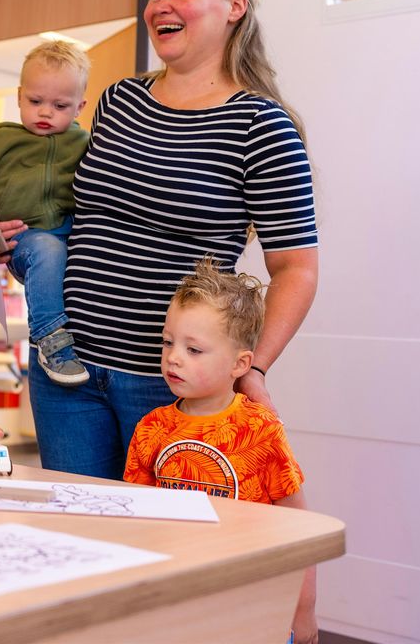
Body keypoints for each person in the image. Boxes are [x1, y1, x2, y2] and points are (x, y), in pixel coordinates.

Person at [0, 0, 318, 478]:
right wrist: (14, 230)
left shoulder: (261, 125)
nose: (160, 6)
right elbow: (82, 214)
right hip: (66, 371)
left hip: (169, 382)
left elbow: (297, 269)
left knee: (162, 548)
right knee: (80, 540)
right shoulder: (119, 100)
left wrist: (251, 366)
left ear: (235, 7)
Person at [124, 256, 317, 644]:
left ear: (240, 363)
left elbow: (300, 529)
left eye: (194, 350)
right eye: (168, 342)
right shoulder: (151, 429)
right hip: (176, 604)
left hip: (249, 602)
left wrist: (304, 611)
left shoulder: (260, 430)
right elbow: (136, 524)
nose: (173, 357)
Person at [0, 41, 91, 384]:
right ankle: (50, 340)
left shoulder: (85, 144)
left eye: (60, 105)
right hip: (25, 239)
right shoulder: (0, 142)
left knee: (61, 256)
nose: (45, 112)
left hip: (69, 233)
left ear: (79, 107)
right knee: (47, 250)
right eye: (35, 101)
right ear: (19, 95)